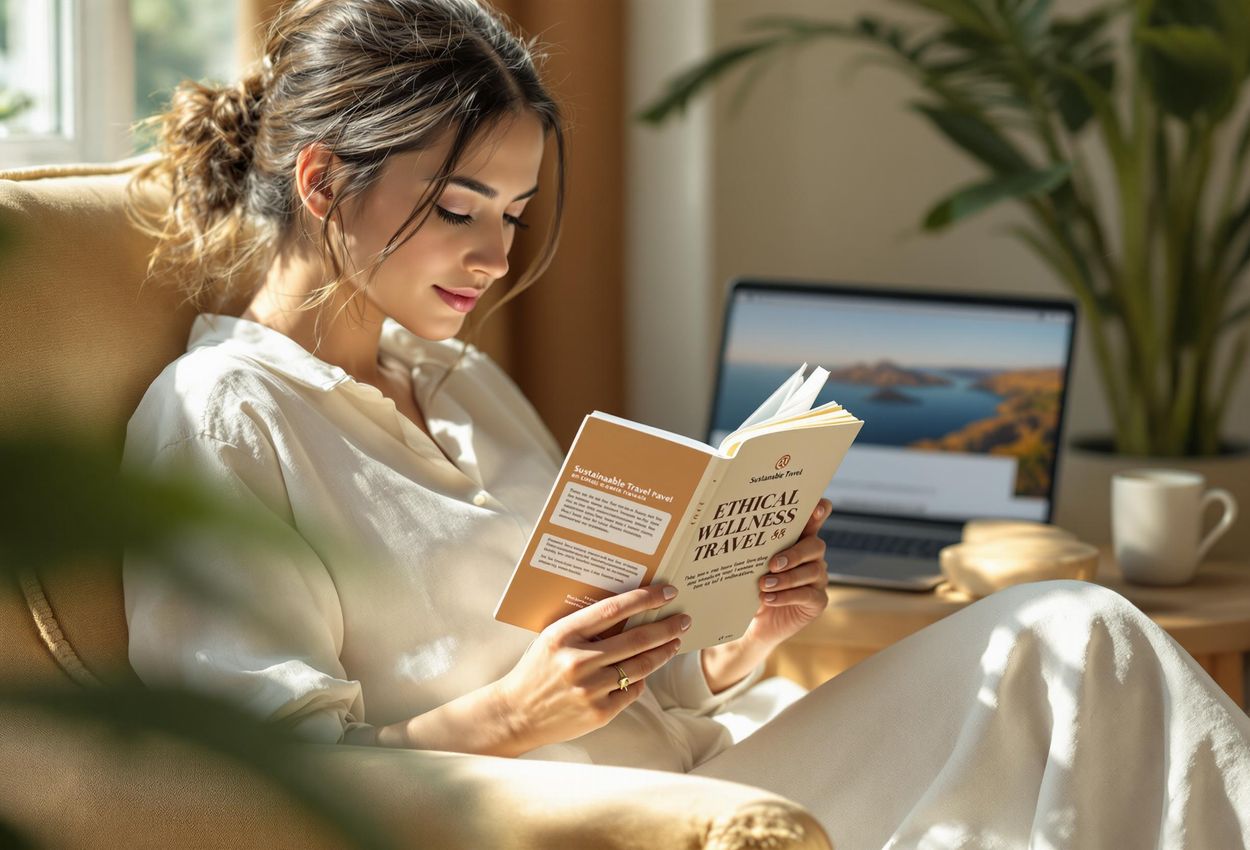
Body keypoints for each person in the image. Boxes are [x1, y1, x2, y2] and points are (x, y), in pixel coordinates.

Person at [122, 1, 1250, 847]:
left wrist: (733, 635)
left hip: (717, 774)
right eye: (458, 206)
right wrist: (512, 714)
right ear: (321, 180)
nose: (495, 255)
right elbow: (252, 781)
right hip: (578, 824)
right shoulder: (223, 417)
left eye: (511, 214)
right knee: (1076, 663)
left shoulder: (462, 382)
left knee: (1074, 639)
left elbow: (645, 677)